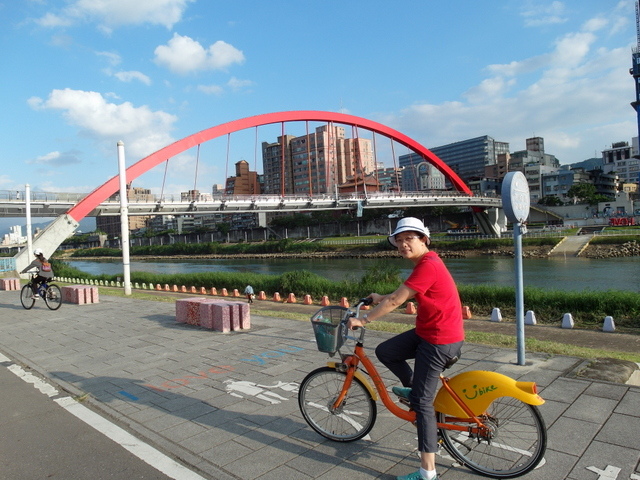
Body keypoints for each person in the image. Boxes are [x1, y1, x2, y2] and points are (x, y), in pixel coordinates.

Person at [348, 217, 464, 480]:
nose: (402, 244)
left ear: (424, 239)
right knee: (386, 352)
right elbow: (402, 293)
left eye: (409, 238)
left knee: (422, 404)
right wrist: (380, 297)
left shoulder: (428, 265)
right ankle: (413, 389)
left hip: (438, 341)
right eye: (398, 240)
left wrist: (363, 319)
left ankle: (428, 473)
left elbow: (395, 300)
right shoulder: (425, 264)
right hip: (428, 334)